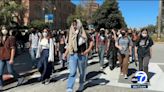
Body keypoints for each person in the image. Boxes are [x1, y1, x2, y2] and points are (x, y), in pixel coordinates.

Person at [64, 19, 93, 92]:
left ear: (79, 24)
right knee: (72, 72)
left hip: (82, 55)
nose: (74, 26)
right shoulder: (71, 33)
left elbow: (91, 41)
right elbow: (69, 44)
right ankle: (69, 88)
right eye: (73, 24)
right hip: (73, 55)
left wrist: (88, 50)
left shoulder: (84, 33)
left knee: (82, 71)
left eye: (75, 24)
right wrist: (65, 53)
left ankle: (81, 84)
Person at [0, 26, 24, 91]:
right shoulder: (1, 38)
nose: (4, 30)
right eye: (2, 29)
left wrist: (12, 59)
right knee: (0, 72)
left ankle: (20, 78)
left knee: (10, 71)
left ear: (7, 30)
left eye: (5, 29)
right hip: (1, 57)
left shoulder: (11, 38)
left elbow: (13, 49)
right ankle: (1, 86)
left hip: (8, 57)